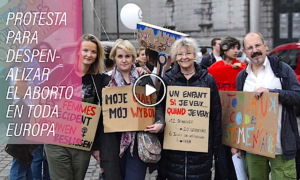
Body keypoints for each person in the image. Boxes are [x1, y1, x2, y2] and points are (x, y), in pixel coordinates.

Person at [231, 32, 300, 180]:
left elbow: (297, 97)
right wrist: (236, 142)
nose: (254, 50)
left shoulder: (282, 70)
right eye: (250, 47)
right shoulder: (242, 77)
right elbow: (239, 112)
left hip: (281, 147)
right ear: (244, 52)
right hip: (253, 148)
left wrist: (273, 93)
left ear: (265, 46)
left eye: (257, 45)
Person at [43, 34, 110, 180]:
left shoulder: (100, 79)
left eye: (93, 52)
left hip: (82, 142)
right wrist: (48, 92)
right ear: (78, 51)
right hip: (56, 139)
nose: (89, 55)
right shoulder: (61, 71)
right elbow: (40, 92)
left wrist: (140, 70)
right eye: (85, 50)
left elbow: (120, 85)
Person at [156, 38, 222, 180]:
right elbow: (159, 106)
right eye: (180, 54)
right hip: (174, 149)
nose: (184, 57)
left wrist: (215, 148)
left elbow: (216, 114)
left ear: (194, 55)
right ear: (175, 57)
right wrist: (160, 122)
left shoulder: (208, 80)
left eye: (188, 53)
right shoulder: (168, 79)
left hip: (200, 149)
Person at [99, 39, 162, 180]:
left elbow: (155, 103)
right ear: (114, 58)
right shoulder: (106, 82)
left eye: (127, 56)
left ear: (133, 58)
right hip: (113, 143)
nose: (124, 60)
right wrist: (97, 147)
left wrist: (159, 122)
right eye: (120, 56)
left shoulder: (143, 79)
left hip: (137, 143)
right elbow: (99, 117)